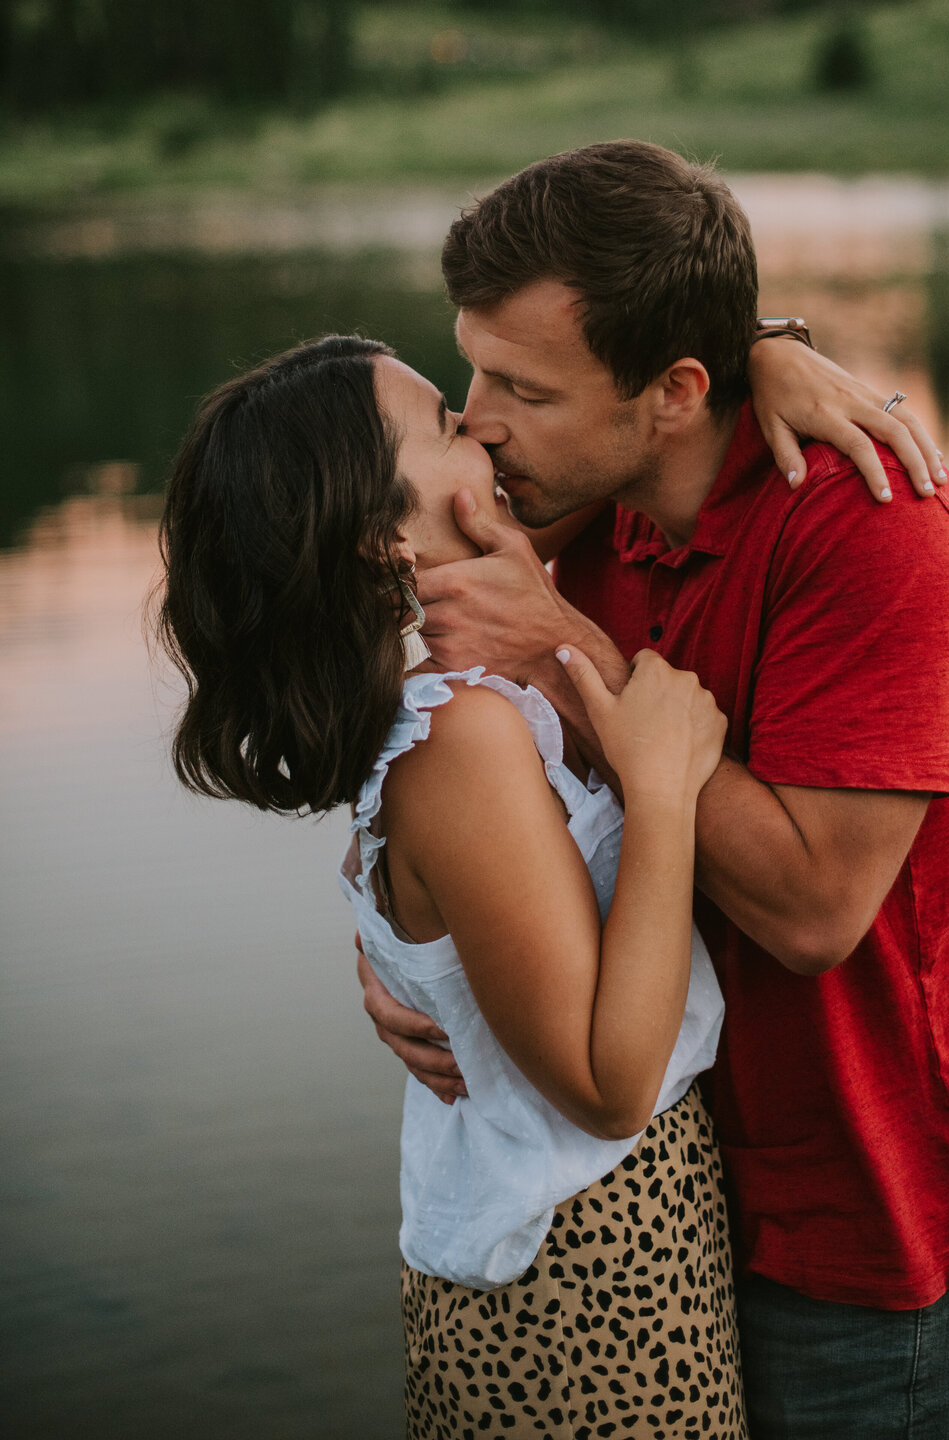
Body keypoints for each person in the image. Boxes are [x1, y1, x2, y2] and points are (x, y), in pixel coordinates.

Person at [359, 140, 949, 1439]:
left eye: (522, 385)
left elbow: (814, 914)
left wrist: (564, 643)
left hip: (872, 1219)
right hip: (666, 1193)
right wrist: (408, 950)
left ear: (678, 391)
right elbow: (414, 756)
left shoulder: (872, 529)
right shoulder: (577, 498)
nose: (475, 419)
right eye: (473, 371)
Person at [159, 335, 777, 1437]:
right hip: (585, 1277)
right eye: (445, 423)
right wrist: (665, 785)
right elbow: (606, 1085)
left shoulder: (455, 699)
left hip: (590, 1236)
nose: (482, 428)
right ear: (376, 531)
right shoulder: (463, 739)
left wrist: (765, 357)